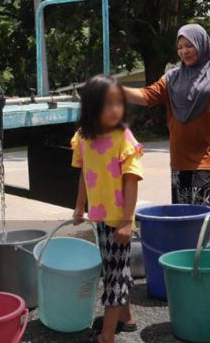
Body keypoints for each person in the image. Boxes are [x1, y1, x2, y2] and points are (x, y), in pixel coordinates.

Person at [123, 24, 210, 249]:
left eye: (190, 45)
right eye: (180, 47)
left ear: (202, 44)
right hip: (180, 158)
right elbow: (147, 96)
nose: (184, 51)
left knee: (206, 215)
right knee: (183, 215)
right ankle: (186, 264)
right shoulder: (172, 78)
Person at [71, 75, 143, 343]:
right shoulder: (83, 137)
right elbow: (84, 173)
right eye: (107, 104)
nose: (116, 109)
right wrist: (80, 205)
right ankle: (126, 317)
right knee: (115, 267)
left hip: (117, 221)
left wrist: (126, 222)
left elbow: (132, 181)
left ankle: (106, 336)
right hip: (100, 217)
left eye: (119, 103)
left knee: (113, 275)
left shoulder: (123, 137)